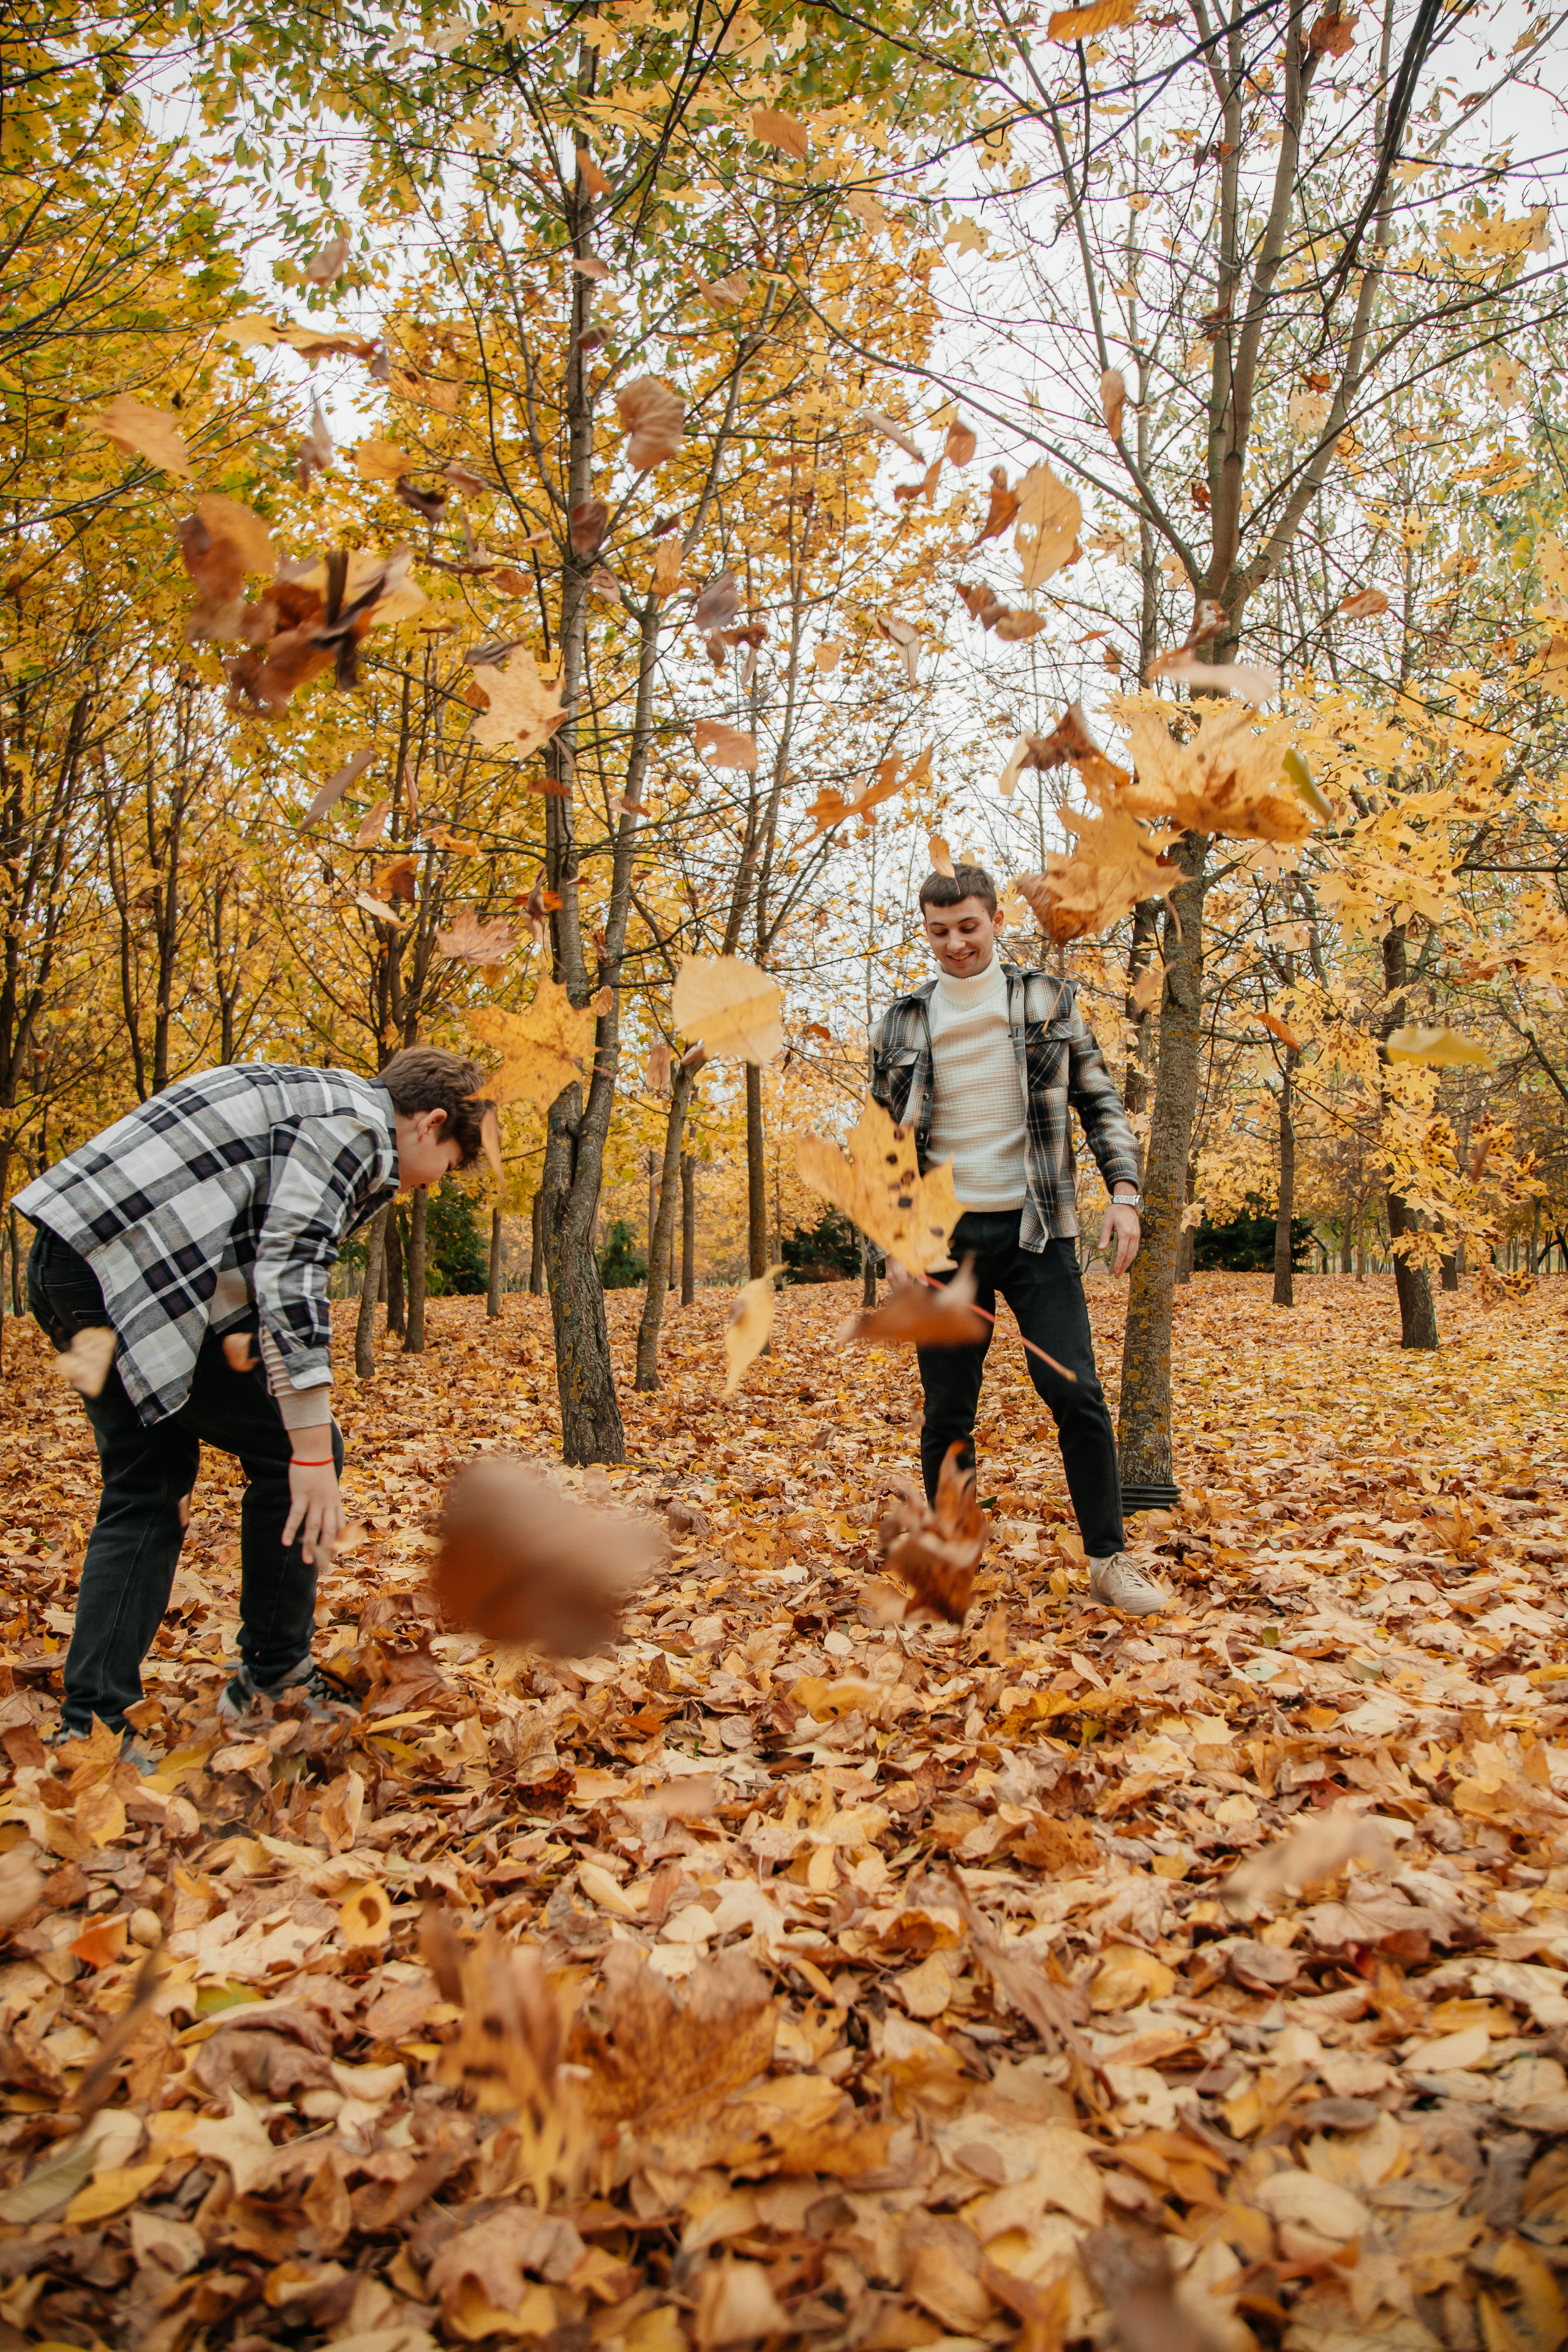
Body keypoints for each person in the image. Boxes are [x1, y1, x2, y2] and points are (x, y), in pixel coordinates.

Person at [18, 1048, 493, 1740]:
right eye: (448, 1166)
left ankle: (93, 1727)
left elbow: (242, 1244)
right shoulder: (355, 1128)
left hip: (75, 1265)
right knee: (294, 1451)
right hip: (123, 1279)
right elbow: (292, 1269)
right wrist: (306, 1448)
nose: (434, 1185)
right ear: (430, 1124)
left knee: (148, 1487)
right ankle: (273, 1678)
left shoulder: (312, 1097)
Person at [870, 864, 1165, 1615]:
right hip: (944, 1247)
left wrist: (1124, 1196)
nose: (955, 944)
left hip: (1038, 1232)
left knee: (1078, 1394)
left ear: (996, 920)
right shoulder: (902, 1021)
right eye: (939, 931)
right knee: (947, 1412)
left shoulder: (1046, 1000)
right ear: (926, 931)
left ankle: (1109, 1561)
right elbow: (886, 1148)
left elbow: (1099, 1105)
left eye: (968, 927)